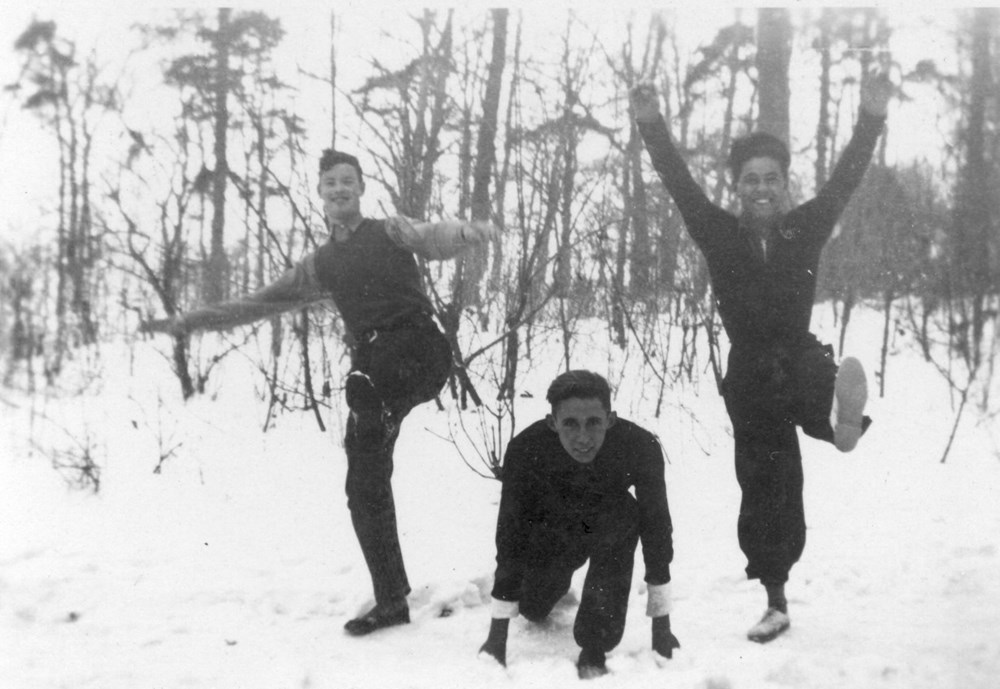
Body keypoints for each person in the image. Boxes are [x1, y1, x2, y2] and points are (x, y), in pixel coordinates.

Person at [143, 149, 495, 636]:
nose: (339, 189)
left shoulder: (388, 231)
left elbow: (430, 235)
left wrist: (464, 233)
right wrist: (190, 322)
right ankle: (392, 599)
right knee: (362, 486)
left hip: (418, 350)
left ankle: (372, 399)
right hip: (375, 369)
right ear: (320, 192)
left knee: (367, 382)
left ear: (361, 188)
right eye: (330, 182)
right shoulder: (321, 264)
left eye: (347, 181)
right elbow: (258, 302)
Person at [629, 73, 891, 643]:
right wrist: (651, 124)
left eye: (772, 178)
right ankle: (776, 599)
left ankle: (836, 423)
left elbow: (846, 178)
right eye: (751, 180)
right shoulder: (717, 232)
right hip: (749, 374)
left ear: (785, 182)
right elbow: (678, 183)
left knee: (813, 377)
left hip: (798, 355)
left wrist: (871, 117)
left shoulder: (806, 227)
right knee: (770, 485)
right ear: (737, 187)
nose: (762, 187)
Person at [478, 370, 680, 679]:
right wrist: (497, 637)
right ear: (552, 422)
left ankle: (595, 643)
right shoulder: (526, 448)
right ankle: (551, 585)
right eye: (570, 424)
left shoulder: (639, 446)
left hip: (606, 526)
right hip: (552, 531)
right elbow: (510, 533)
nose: (583, 437)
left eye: (593, 423)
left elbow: (657, 527)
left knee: (625, 512)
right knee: (532, 609)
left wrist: (661, 625)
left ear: (610, 420)